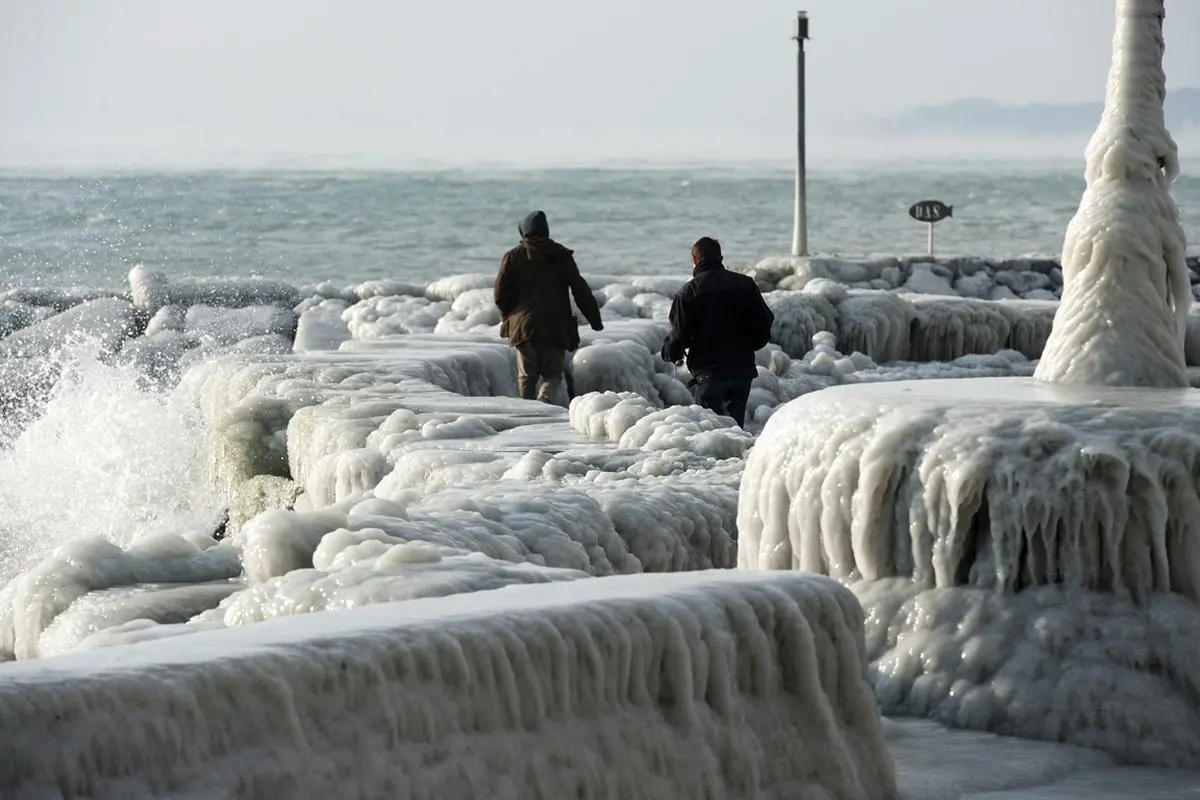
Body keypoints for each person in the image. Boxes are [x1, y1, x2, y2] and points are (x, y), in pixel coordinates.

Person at [661, 237, 774, 428]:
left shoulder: (688, 292)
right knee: (736, 431)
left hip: (708, 374)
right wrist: (750, 345)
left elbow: (679, 334)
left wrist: (670, 353)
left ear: (694, 260)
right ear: (720, 258)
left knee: (710, 433)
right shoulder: (745, 284)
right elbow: (764, 321)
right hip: (742, 371)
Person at [494, 210, 603, 403]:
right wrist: (594, 319)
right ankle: (543, 406)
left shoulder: (513, 257)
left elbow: (500, 294)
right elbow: (580, 290)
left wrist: (508, 317)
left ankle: (527, 414)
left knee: (526, 377)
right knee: (552, 376)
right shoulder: (561, 256)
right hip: (556, 328)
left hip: (524, 328)